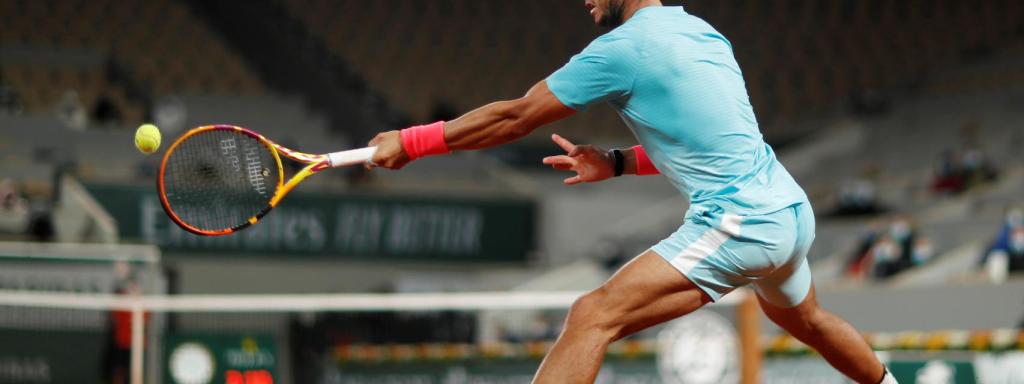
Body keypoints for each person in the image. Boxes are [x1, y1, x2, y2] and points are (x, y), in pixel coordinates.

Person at [366, 1, 893, 383]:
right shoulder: (703, 33)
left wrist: (412, 142)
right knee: (809, 321)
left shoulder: (621, 49)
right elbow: (707, 144)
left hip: (741, 222)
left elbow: (513, 117)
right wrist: (616, 162)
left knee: (592, 316)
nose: (586, 1)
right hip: (790, 211)